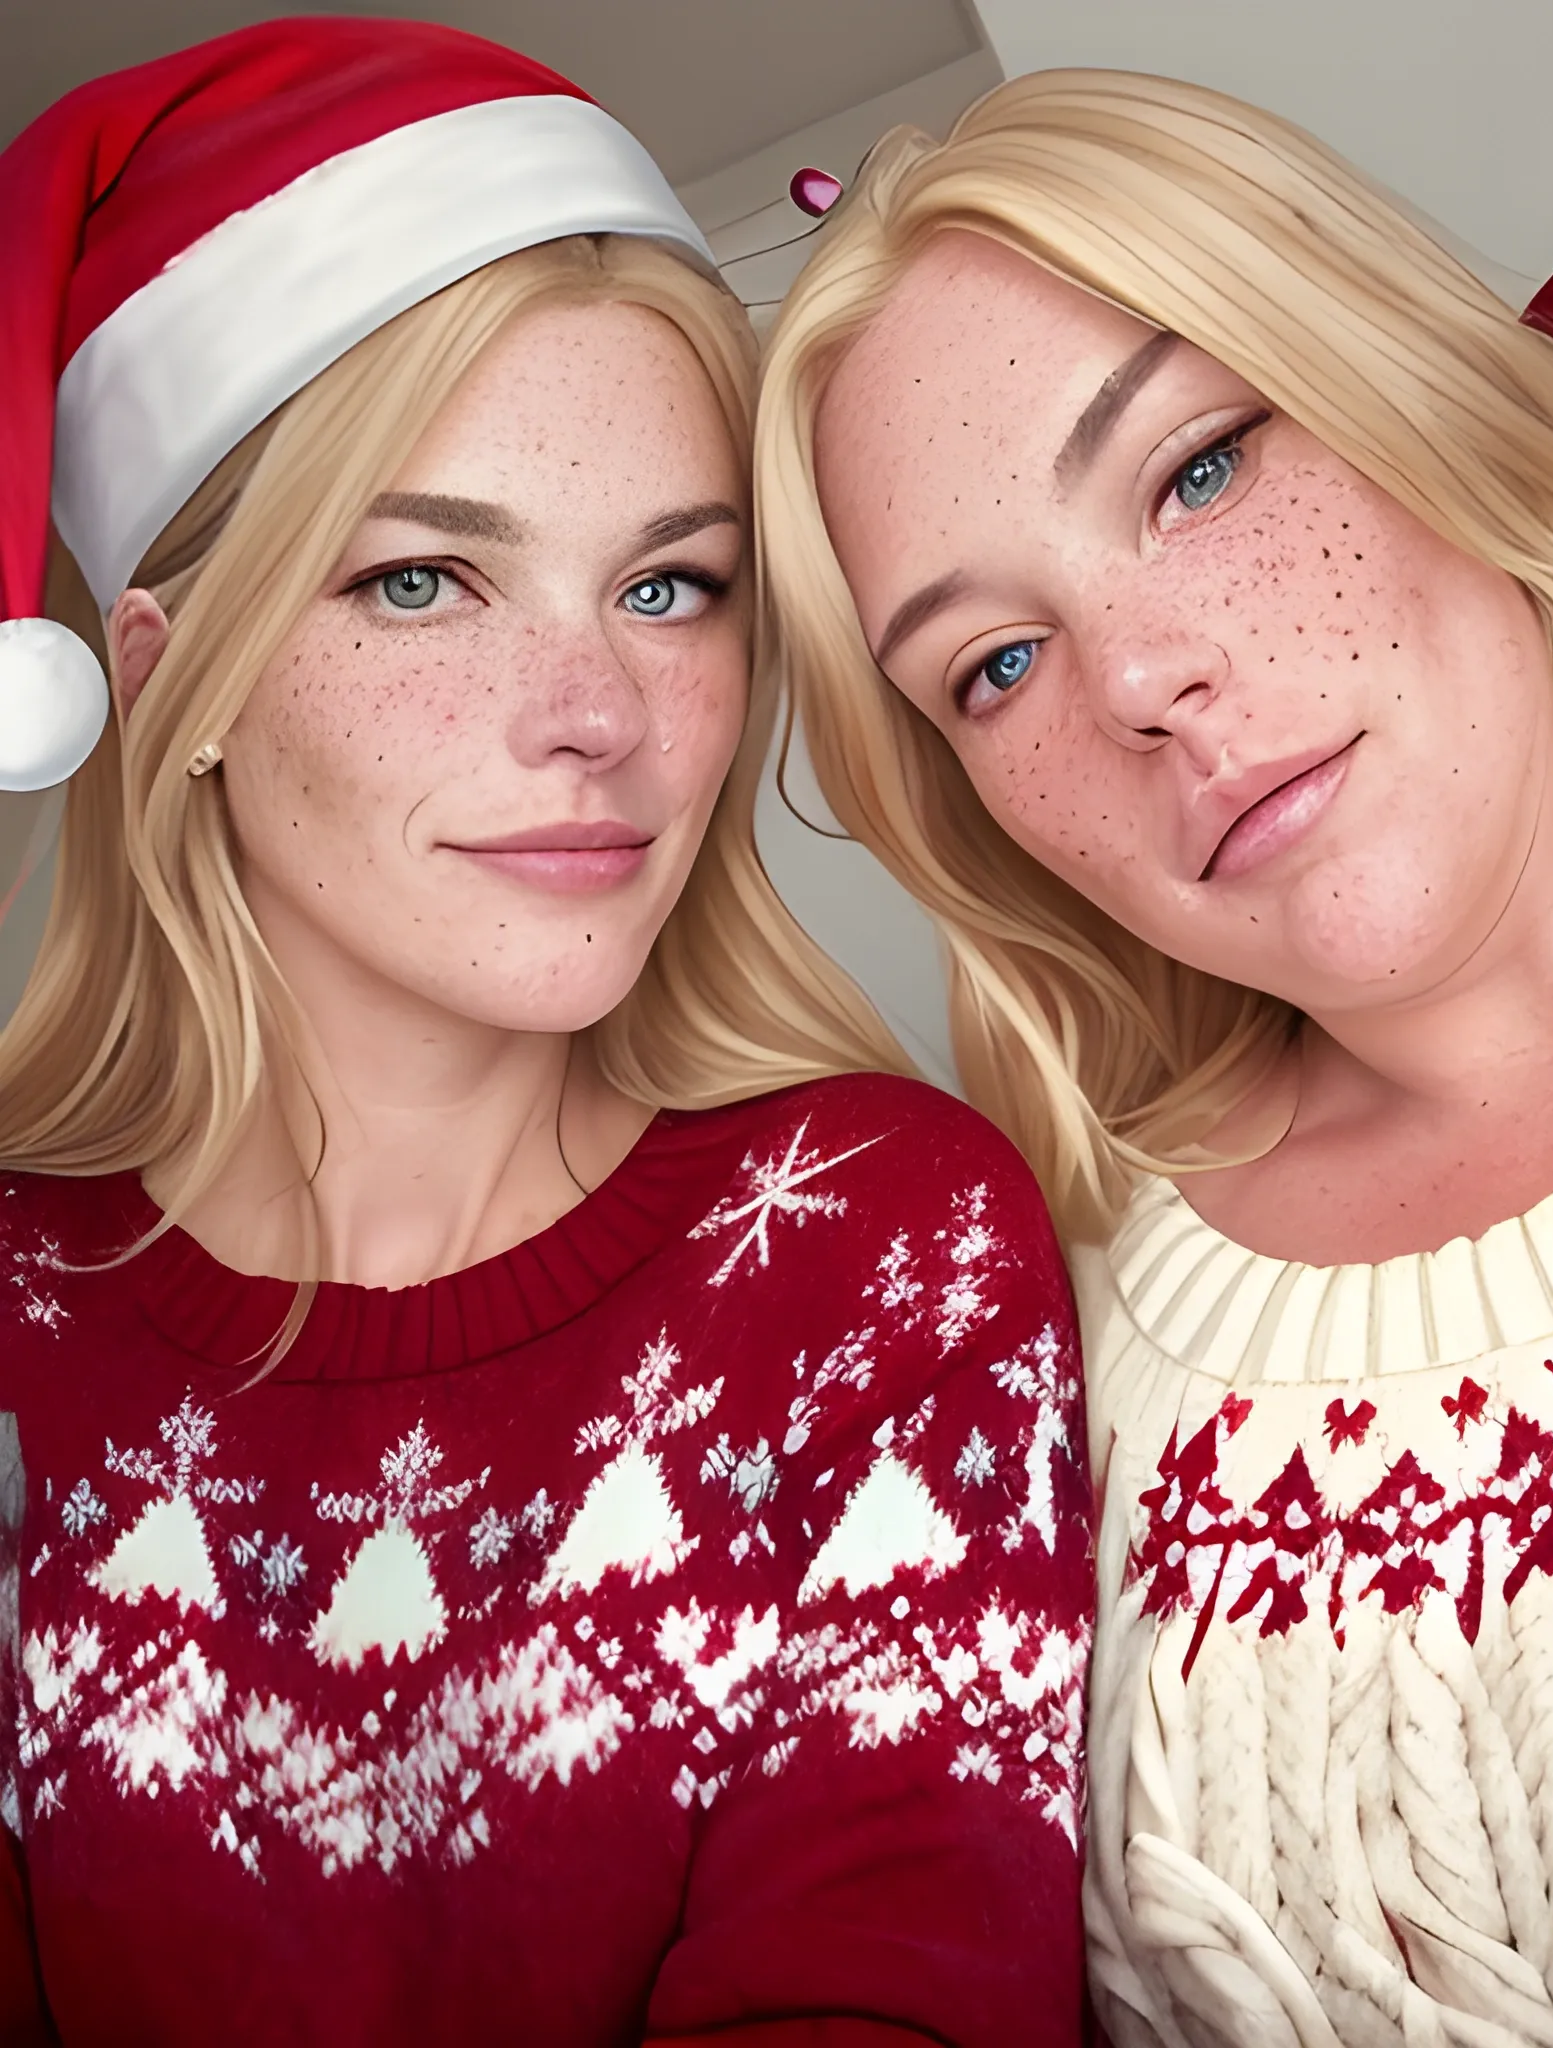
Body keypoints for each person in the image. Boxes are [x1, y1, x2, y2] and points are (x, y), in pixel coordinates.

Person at [754, 60, 1553, 2047]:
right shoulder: (1053, 1469)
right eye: (991, 665)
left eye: (1195, 469)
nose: (1136, 685)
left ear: (1407, 388)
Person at [0, 22, 1090, 2046]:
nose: (594, 712)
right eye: (424, 581)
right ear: (172, 683)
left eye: (671, 587)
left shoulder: (880, 1249)